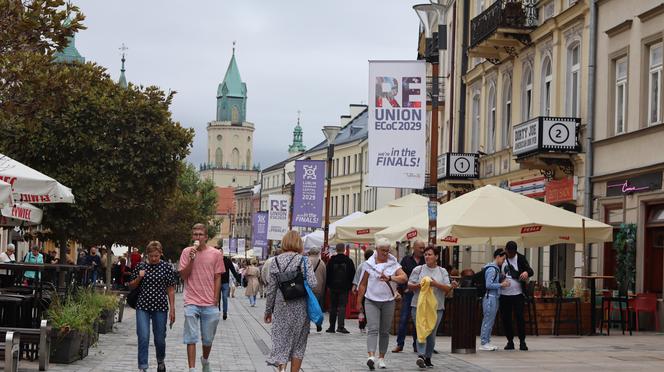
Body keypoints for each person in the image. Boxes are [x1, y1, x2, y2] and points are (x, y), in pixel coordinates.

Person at [264, 231, 316, 372]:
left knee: (281, 341)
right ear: (299, 244)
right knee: (299, 344)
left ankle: (281, 370)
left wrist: (268, 311)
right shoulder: (304, 261)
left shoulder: (274, 262)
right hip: (300, 308)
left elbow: (271, 290)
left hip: (282, 307)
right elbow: (313, 283)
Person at [178, 223, 225, 372]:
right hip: (191, 300)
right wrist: (192, 259)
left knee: (208, 339)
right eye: (195, 234)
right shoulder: (187, 252)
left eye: (200, 234)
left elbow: (217, 277)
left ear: (206, 237)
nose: (197, 237)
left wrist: (216, 297)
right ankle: (192, 369)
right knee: (191, 337)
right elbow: (183, 275)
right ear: (192, 236)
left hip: (209, 302)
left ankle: (205, 360)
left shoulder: (215, 254)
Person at [357, 238, 408, 370]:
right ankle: (371, 356)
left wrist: (391, 278)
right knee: (373, 328)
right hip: (371, 300)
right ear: (377, 250)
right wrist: (359, 302)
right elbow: (362, 284)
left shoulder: (393, 263)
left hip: (388, 301)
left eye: (387, 250)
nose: (385, 253)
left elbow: (404, 278)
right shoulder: (369, 264)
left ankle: (381, 358)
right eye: (383, 251)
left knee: (384, 331)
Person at [128, 241, 176, 372]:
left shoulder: (166, 267)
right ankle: (143, 367)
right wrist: (139, 277)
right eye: (151, 256)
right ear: (147, 255)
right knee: (143, 336)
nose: (154, 258)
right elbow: (131, 286)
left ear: (161, 254)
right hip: (142, 306)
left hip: (160, 307)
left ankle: (160, 360)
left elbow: (171, 289)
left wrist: (173, 309)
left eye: (156, 256)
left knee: (160, 338)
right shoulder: (140, 266)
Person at [408, 246, 456, 369]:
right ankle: (421, 356)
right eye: (426, 254)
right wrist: (419, 285)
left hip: (437, 307)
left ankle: (428, 357)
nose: (427, 256)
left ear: (436, 257)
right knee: (421, 329)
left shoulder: (442, 271)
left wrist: (434, 284)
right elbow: (409, 285)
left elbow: (447, 288)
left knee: (431, 333)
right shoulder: (418, 269)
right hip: (418, 305)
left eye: (430, 254)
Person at [500, 241, 534, 351]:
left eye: (512, 253)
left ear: (515, 251)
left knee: (520, 318)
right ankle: (510, 341)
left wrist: (526, 273)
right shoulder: (502, 257)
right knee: (506, 318)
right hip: (504, 294)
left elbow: (530, 270)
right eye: (508, 252)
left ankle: (522, 341)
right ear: (506, 250)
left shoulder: (521, 258)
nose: (510, 255)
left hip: (518, 293)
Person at [392, 239, 424, 353]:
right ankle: (400, 344)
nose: (422, 250)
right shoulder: (406, 260)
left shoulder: (425, 261)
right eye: (420, 248)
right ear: (413, 248)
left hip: (422, 294)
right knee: (404, 319)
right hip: (409, 293)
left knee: (418, 321)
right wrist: (402, 289)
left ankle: (417, 345)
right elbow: (400, 275)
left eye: (423, 248)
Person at [479, 248, 510, 351]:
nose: (504, 261)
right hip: (490, 298)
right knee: (488, 320)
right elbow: (488, 284)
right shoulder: (492, 269)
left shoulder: (494, 268)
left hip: (493, 297)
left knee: (490, 320)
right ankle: (484, 342)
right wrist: (502, 284)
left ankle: (487, 341)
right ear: (498, 257)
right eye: (503, 258)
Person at [325, 243, 355, 334]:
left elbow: (328, 274)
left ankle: (331, 327)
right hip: (344, 287)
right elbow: (352, 274)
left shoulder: (331, 260)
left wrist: (328, 285)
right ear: (344, 250)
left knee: (333, 306)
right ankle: (341, 327)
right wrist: (351, 285)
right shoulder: (348, 260)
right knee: (342, 306)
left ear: (336, 250)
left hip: (333, 287)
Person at [352, 248, 374, 333]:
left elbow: (357, 277)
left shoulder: (361, 265)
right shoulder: (373, 265)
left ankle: (362, 326)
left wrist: (354, 286)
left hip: (362, 290)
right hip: (370, 290)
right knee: (369, 308)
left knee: (362, 309)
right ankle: (367, 325)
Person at [218, 247, 241, 320]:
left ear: (222, 252)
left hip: (225, 283)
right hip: (217, 283)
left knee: (225, 297)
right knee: (217, 298)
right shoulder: (214, 260)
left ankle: (225, 313)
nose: (219, 253)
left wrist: (238, 279)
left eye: (220, 252)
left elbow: (233, 270)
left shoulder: (227, 261)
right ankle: (217, 311)